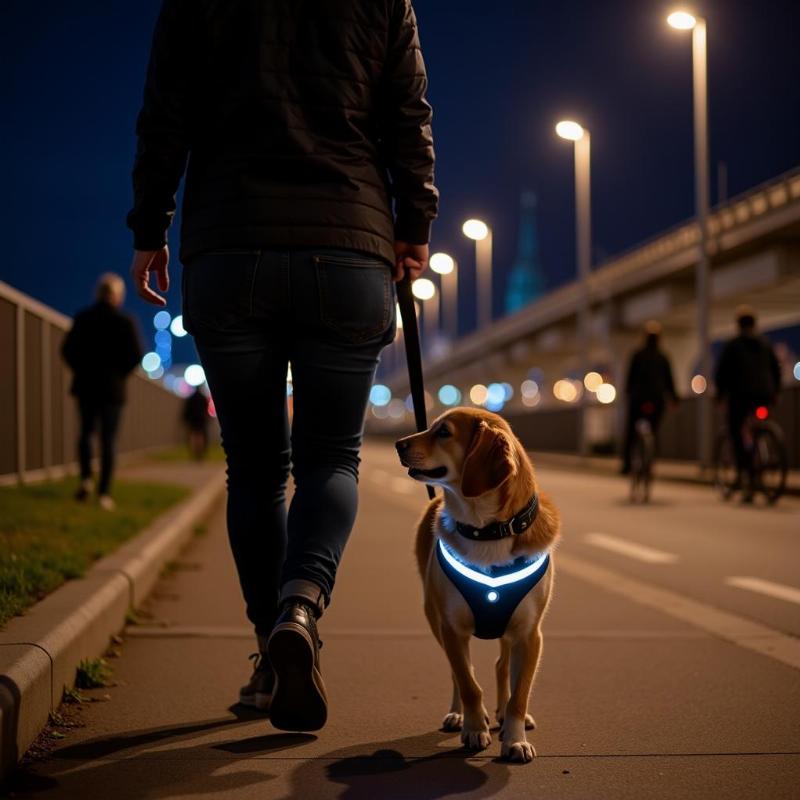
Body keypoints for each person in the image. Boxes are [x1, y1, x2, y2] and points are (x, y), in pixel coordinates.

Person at [127, 0, 437, 731]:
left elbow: (163, 111)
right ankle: (302, 604)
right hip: (351, 241)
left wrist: (150, 228)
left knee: (256, 468)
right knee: (332, 456)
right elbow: (409, 115)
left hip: (230, 245)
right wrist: (415, 225)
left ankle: (271, 649)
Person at [61, 273, 143, 511]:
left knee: (86, 433)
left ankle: (86, 478)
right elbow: (136, 355)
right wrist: (119, 374)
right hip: (113, 389)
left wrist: (80, 369)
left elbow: (67, 350)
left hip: (86, 385)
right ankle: (104, 493)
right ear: (118, 296)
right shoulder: (125, 321)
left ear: (98, 293)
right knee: (108, 439)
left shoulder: (83, 318)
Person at [715, 306, 781, 501]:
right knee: (758, 425)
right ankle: (765, 455)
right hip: (764, 395)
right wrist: (775, 393)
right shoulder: (765, 344)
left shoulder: (733, 345)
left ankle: (747, 476)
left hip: (740, 397)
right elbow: (775, 371)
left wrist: (720, 396)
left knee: (736, 433)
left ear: (738, 324)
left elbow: (722, 373)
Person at [621, 321, 678, 474]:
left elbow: (630, 379)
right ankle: (651, 460)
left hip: (638, 399)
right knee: (654, 429)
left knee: (631, 431)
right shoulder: (663, 357)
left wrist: (627, 394)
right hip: (657, 400)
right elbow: (669, 380)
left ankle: (626, 465)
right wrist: (674, 399)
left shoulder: (637, 355)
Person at [182, 388, 210, 460]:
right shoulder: (203, 398)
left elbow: (186, 410)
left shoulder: (190, 399)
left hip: (193, 421)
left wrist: (185, 419)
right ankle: (200, 453)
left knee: (193, 437)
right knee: (201, 437)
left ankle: (195, 453)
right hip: (201, 421)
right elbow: (206, 411)